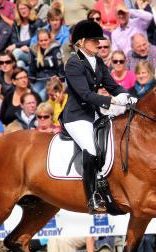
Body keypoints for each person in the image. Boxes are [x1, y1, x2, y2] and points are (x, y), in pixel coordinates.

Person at [63, 19, 134, 213]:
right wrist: (112, 101)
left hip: (94, 114)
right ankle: (92, 197)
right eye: (94, 40)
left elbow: (113, 86)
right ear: (81, 42)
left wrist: (127, 96)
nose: (99, 43)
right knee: (91, 150)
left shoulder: (98, 62)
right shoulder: (73, 64)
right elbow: (85, 94)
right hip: (77, 117)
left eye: (99, 40)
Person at [28, 28, 64, 101]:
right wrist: (31, 82)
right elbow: (31, 69)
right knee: (32, 95)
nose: (43, 43)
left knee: (41, 96)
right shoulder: (33, 51)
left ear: (50, 39)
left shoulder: (55, 50)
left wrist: (61, 80)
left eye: (46, 40)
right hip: (39, 80)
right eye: (41, 41)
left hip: (52, 81)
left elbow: (60, 67)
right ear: (38, 41)